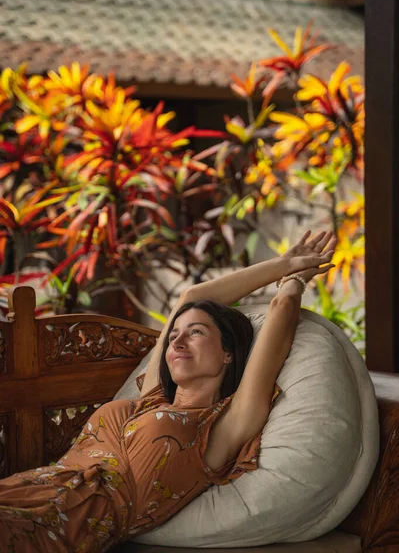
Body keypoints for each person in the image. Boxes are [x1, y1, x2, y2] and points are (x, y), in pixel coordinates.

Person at [0, 230, 336, 553]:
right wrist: (281, 263)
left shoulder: (220, 429)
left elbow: (280, 310)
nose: (176, 339)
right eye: (174, 333)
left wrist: (296, 277)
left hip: (56, 526)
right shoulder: (152, 398)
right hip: (24, 489)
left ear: (227, 354)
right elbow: (189, 299)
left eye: (196, 332)